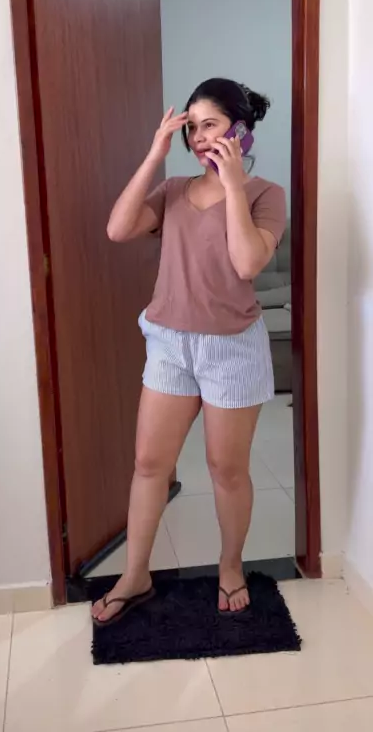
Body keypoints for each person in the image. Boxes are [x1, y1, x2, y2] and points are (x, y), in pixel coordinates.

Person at [92, 77, 287, 626]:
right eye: (192, 128)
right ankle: (135, 575)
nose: (199, 137)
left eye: (211, 125)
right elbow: (117, 229)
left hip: (232, 350)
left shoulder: (265, 194)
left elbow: (247, 263)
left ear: (240, 131)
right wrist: (154, 155)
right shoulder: (173, 189)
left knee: (227, 470)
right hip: (170, 345)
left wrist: (232, 186)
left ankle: (230, 565)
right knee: (149, 464)